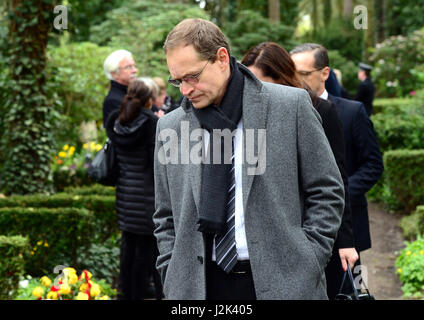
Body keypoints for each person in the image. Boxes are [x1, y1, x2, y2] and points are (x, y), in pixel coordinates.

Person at [153, 18, 345, 300]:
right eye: (177, 80)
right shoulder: (171, 126)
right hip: (200, 288)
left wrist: (310, 259)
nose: (185, 90)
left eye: (192, 76)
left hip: (286, 283)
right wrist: (172, 270)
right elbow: (165, 215)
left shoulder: (290, 106)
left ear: (221, 58)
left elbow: (326, 190)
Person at [241, 41, 357, 298]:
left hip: (307, 234)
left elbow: (335, 181)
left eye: (260, 83)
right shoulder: (245, 115)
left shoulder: (319, 109)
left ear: (281, 78)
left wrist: (340, 242)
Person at [291, 43, 384, 299]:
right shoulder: (285, 113)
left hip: (349, 231)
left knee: (355, 291)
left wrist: (334, 194)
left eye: (304, 73)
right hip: (302, 230)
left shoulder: (352, 112)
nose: (296, 80)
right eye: (291, 72)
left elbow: (373, 164)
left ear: (325, 73)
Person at [105, 80, 162, 300]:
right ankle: (153, 293)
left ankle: (125, 293)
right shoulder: (151, 124)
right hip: (148, 197)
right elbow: (156, 162)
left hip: (126, 197)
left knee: (129, 249)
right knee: (150, 252)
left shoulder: (117, 121)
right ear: (149, 100)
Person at [103, 49, 138, 127]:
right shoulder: (113, 101)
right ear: (114, 74)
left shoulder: (133, 93)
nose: (134, 70)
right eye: (128, 67)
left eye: (134, 66)